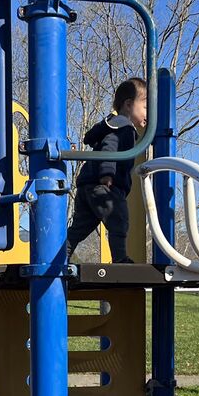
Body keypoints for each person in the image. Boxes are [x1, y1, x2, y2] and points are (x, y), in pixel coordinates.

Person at [64, 77, 148, 264]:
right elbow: (110, 147)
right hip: (104, 186)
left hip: (87, 186)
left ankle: (62, 256)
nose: (148, 114)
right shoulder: (123, 126)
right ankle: (120, 259)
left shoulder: (113, 124)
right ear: (128, 104)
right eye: (145, 108)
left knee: (80, 227)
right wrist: (107, 174)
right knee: (119, 219)